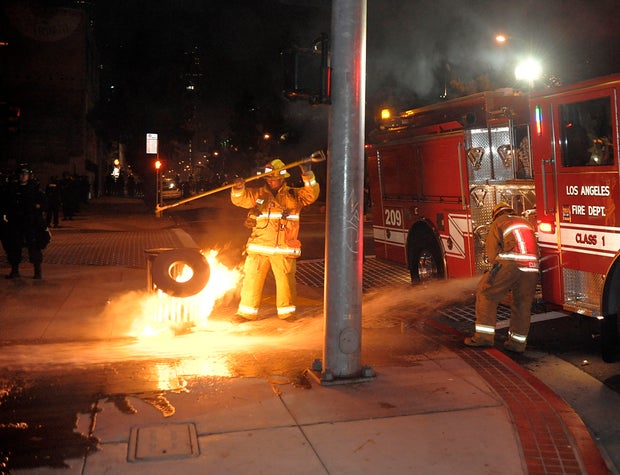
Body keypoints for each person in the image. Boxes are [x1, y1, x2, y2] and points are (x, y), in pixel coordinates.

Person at [230, 157, 320, 322]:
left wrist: (308, 174)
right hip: (259, 246)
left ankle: (287, 313)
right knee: (252, 280)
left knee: (286, 282)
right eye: (269, 179)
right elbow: (240, 199)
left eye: (275, 179)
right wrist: (238, 189)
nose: (271, 182)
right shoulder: (258, 195)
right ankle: (246, 313)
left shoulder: (293, 194)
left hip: (284, 247)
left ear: (282, 179)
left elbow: (311, 195)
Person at [464, 202, 540, 353]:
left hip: (510, 264)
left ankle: (483, 338)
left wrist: (496, 274)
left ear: (496, 214)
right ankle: (517, 344)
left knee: (486, 293)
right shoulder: (525, 222)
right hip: (531, 268)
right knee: (522, 304)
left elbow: (492, 253)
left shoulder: (498, 223)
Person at [3, 164, 48, 279]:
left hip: (31, 221)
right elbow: (4, 203)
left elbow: (44, 202)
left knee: (34, 245)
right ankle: (14, 270)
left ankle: (37, 271)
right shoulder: (11, 188)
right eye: (21, 174)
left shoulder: (35, 188)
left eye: (25, 174)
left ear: (29, 176)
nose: (23, 176)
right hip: (15, 222)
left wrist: (38, 206)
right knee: (14, 245)